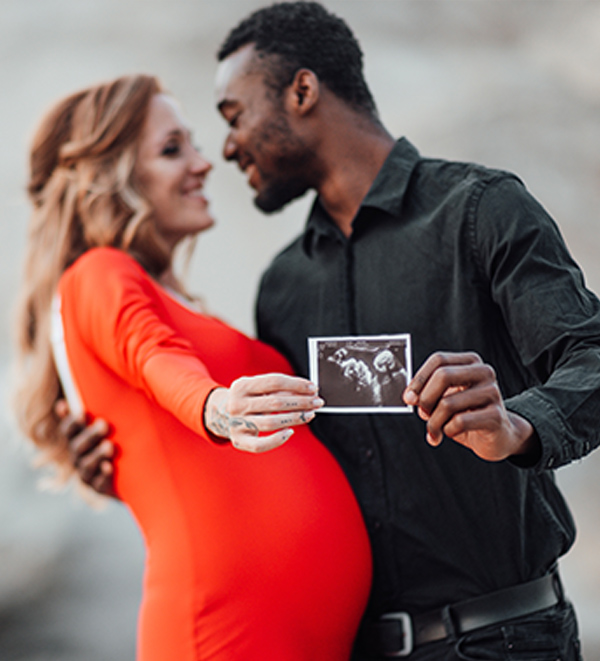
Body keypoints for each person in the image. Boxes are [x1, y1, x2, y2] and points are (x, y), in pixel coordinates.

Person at [64, 3, 600, 659]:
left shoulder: (480, 211)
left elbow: (592, 356)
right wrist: (121, 462)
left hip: (506, 637)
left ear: (302, 90)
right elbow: (281, 465)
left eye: (234, 116)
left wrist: (517, 425)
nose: (226, 147)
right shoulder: (282, 289)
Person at [13, 73, 372, 661]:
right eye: (172, 149)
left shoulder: (181, 300)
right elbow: (150, 352)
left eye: (194, 144)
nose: (204, 164)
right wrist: (218, 407)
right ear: (113, 176)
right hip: (225, 632)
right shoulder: (98, 274)